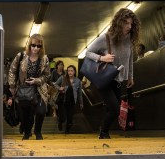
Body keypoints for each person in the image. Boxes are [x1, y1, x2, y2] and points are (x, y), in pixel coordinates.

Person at [86, 8, 140, 139]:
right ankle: (103, 132)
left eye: (131, 24)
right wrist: (102, 58)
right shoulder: (107, 38)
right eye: (126, 23)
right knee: (116, 110)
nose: (129, 26)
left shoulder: (129, 39)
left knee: (111, 109)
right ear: (118, 22)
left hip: (118, 80)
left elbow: (129, 60)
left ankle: (104, 132)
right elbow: (88, 53)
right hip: (104, 79)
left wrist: (130, 76)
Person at [7, 33, 51, 140]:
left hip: (39, 90)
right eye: (33, 45)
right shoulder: (21, 56)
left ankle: (38, 131)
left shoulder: (44, 59)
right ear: (29, 45)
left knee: (41, 111)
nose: (36, 48)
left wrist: (37, 80)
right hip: (23, 90)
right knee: (25, 115)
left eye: (39, 46)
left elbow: (47, 75)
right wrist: (12, 86)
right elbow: (12, 71)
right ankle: (27, 132)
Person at [54, 65, 83, 133]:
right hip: (63, 100)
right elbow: (55, 84)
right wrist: (59, 88)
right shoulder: (63, 78)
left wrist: (81, 103)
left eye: (71, 71)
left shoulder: (78, 81)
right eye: (68, 71)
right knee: (63, 117)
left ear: (74, 72)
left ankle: (67, 131)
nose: (70, 72)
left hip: (72, 102)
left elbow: (79, 93)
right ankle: (60, 122)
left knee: (70, 118)